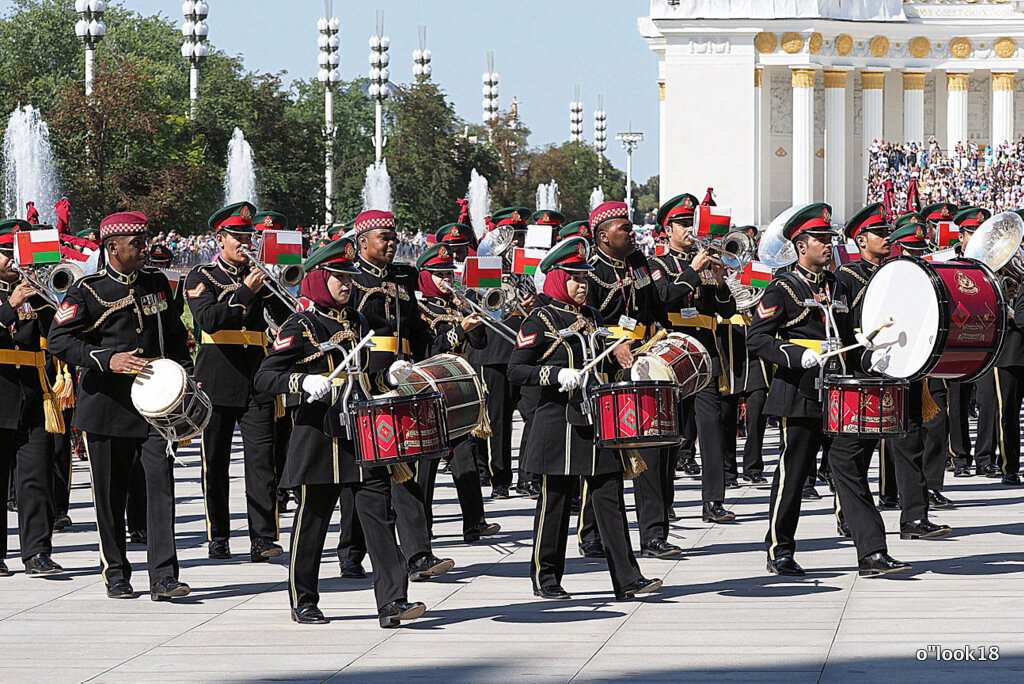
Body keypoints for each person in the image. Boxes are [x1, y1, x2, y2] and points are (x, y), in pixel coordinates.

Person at [254, 238, 426, 627]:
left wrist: (388, 377)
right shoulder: (301, 324)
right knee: (312, 521)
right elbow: (266, 376)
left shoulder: (360, 323)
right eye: (337, 277)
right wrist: (301, 382)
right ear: (318, 278)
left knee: (379, 519)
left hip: (360, 436)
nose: (347, 284)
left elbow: (364, 377)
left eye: (349, 277)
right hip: (318, 437)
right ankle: (304, 599)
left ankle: (393, 601)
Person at [748, 203, 908, 576]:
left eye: (828, 238)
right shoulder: (782, 288)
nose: (827, 244)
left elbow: (851, 328)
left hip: (838, 394)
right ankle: (779, 550)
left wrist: (865, 343)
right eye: (821, 239)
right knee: (793, 473)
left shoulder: (837, 284)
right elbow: (756, 339)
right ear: (801, 245)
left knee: (849, 469)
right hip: (799, 392)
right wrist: (795, 353)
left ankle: (872, 553)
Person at [508, 236, 662, 601]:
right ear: (558, 278)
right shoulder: (541, 318)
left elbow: (602, 356)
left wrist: (627, 361)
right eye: (574, 278)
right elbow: (517, 369)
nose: (582, 285)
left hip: (594, 419)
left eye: (585, 278)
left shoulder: (592, 316)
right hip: (557, 421)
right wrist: (554, 374)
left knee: (610, 497)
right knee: (555, 501)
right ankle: (546, 577)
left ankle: (627, 579)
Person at [48, 211, 192, 600]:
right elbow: (59, 341)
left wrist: (186, 373)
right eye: (137, 245)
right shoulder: (87, 290)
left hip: (154, 405)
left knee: (161, 490)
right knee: (109, 497)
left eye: (145, 242)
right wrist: (106, 358)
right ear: (112, 247)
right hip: (106, 406)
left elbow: (175, 334)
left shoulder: (157, 283)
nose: (146, 250)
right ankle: (116, 572)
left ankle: (164, 577)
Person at [340, 209, 453, 582]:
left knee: (406, 469)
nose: (391, 244)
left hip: (403, 381)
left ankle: (419, 554)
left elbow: (417, 329)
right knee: (365, 474)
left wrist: (429, 366)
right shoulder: (349, 277)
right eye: (383, 239)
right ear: (361, 243)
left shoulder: (404, 276)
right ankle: (351, 551)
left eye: (393, 238)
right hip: (364, 381)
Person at [184, 202, 290, 562]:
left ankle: (263, 537)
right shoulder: (202, 276)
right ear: (220, 239)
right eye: (238, 237)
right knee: (215, 462)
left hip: (257, 378)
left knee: (262, 462)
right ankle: (219, 536)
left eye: (250, 237)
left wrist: (274, 286)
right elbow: (210, 320)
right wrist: (246, 291)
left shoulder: (259, 276)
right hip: (217, 378)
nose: (246, 243)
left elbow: (287, 318)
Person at [579, 201, 679, 559]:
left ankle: (653, 534)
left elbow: (651, 305)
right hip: (606, 365)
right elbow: (584, 321)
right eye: (624, 227)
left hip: (642, 359)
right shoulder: (588, 272)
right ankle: (590, 532)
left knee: (651, 445)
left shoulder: (639, 263)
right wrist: (613, 342)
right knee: (603, 453)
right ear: (604, 237)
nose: (632, 231)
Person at [649, 193, 738, 523]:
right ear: (667, 229)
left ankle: (713, 501)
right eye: (684, 225)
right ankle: (665, 500)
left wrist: (718, 281)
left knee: (711, 428)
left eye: (693, 224)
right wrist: (692, 270)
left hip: (703, 354)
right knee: (670, 431)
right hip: (670, 352)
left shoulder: (707, 261)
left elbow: (727, 311)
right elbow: (663, 298)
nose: (689, 230)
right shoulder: (657, 265)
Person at [414, 243, 500, 543]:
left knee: (466, 454)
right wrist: (459, 330)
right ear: (425, 276)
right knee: (426, 463)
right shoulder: (419, 308)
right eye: (438, 274)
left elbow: (480, 343)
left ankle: (475, 521)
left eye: (448, 273)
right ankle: (421, 527)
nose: (445, 280)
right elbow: (427, 349)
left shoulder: (457, 305)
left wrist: (471, 316)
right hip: (428, 388)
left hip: (458, 388)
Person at [0, 219, 63, 577]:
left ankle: (37, 552)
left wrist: (46, 296)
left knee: (35, 478)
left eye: (17, 254)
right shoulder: (10, 294)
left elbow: (59, 333)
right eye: (7, 254)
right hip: (0, 391)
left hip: (35, 393)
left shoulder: (36, 292)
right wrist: (11, 304)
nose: (13, 261)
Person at [717, 226, 770, 487]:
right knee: (726, 413)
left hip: (754, 341)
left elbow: (762, 302)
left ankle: (754, 466)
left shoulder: (757, 270)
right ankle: (727, 471)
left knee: (758, 408)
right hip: (728, 341)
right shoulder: (716, 269)